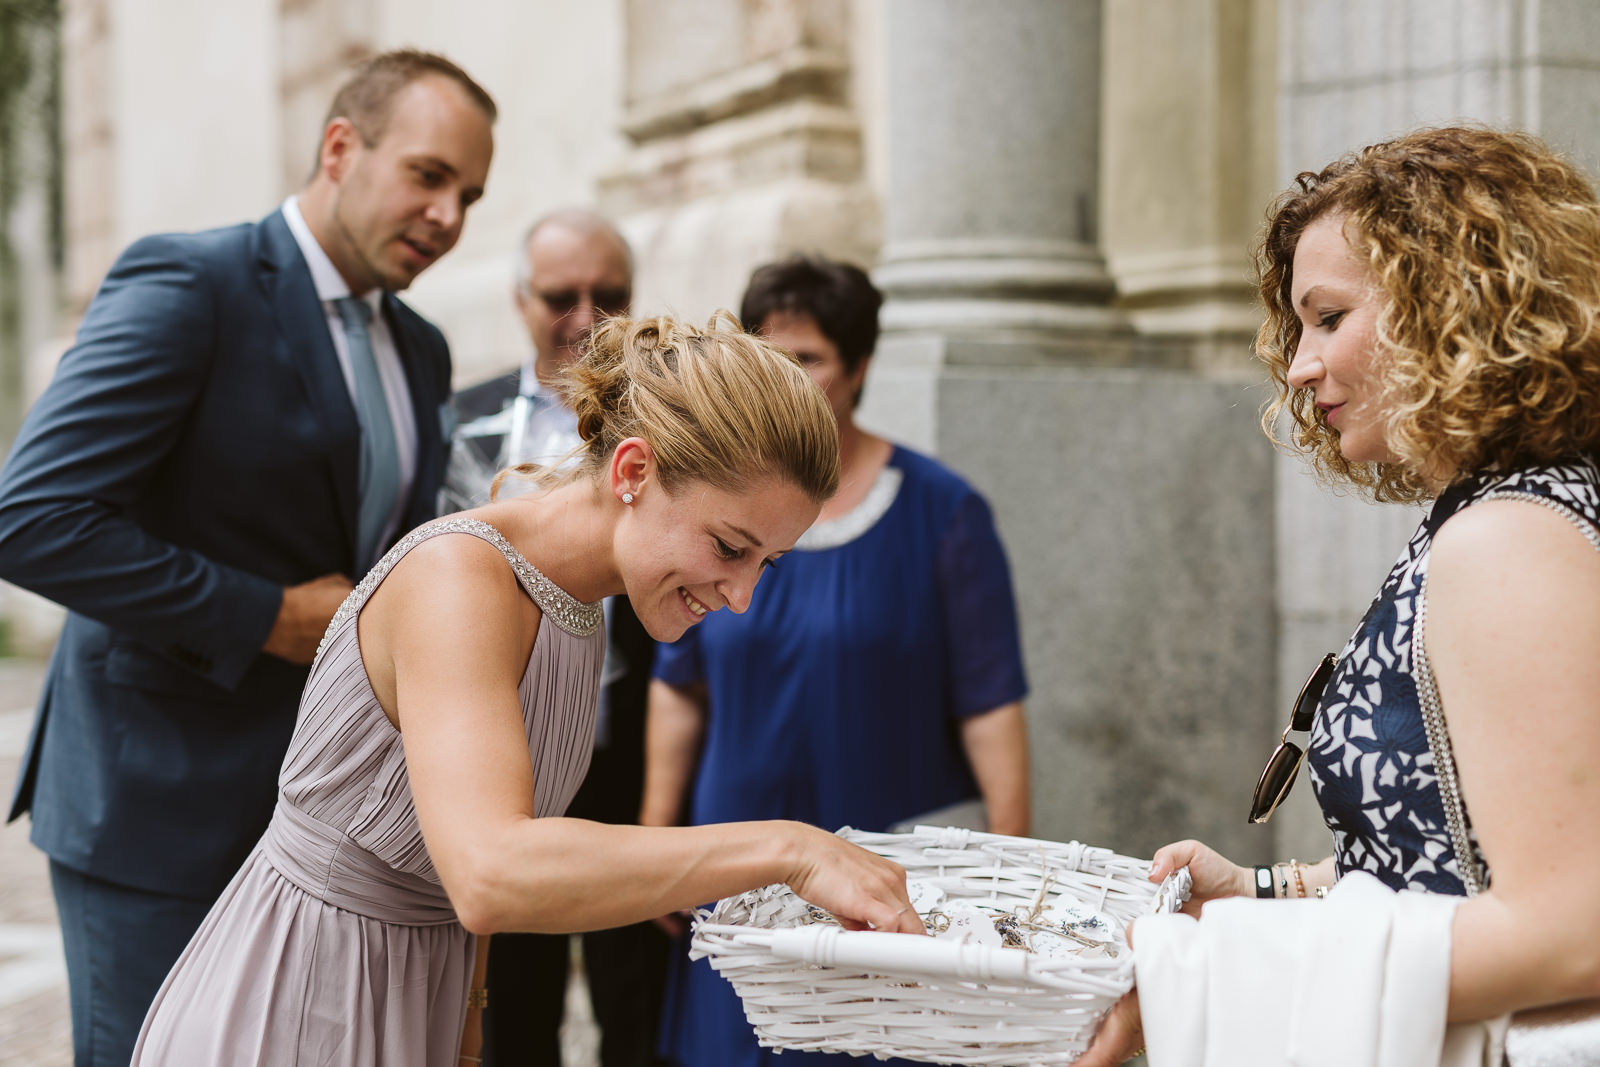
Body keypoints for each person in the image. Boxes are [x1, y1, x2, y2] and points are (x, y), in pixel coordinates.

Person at [129, 313, 925, 1066]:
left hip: (422, 1004)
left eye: (766, 563)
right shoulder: (456, 578)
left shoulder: (578, 604)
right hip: (297, 1001)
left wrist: (467, 1034)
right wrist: (787, 849)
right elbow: (490, 871)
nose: (742, 595)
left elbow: (473, 887)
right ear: (634, 470)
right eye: (729, 546)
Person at [0, 49, 494, 1066]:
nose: (449, 217)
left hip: (321, 816)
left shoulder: (424, 346)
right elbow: (32, 515)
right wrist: (270, 614)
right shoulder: (194, 281)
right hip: (157, 799)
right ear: (340, 148)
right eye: (429, 175)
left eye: (471, 195)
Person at [1077, 126, 1600, 1066]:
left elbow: (1575, 928)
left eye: (1329, 317)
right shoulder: (1506, 512)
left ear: (1447, 299)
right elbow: (1453, 845)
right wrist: (1264, 890)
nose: (1298, 365)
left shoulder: (1508, 538)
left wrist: (1210, 968)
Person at [642, 255, 1031, 1067]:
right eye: (769, 355)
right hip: (736, 867)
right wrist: (655, 833)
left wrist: (1012, 871)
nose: (787, 377)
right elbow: (680, 686)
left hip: (884, 879)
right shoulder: (711, 509)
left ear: (857, 367)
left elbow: (991, 703)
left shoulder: (943, 512)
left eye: (809, 357)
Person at [446, 209, 668, 1067]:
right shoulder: (456, 422)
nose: (586, 315)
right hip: (508, 746)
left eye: (608, 294)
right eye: (561, 295)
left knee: (637, 987)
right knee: (512, 1001)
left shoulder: (673, 419)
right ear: (519, 300)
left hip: (630, 744)